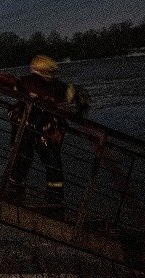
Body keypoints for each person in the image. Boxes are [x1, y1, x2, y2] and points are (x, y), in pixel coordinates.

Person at [7, 54, 89, 205]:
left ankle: (52, 198)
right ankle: (19, 190)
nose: (50, 77)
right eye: (48, 73)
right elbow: (13, 87)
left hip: (44, 129)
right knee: (28, 159)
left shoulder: (53, 86)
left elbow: (76, 100)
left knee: (49, 164)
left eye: (52, 74)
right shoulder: (27, 83)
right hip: (31, 127)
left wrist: (79, 97)